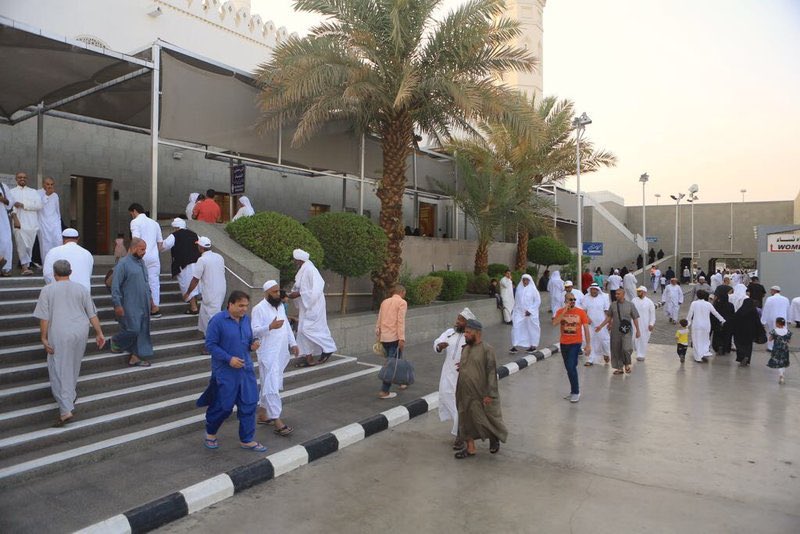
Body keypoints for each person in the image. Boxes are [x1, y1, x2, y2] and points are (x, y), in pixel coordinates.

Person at [33, 259, 105, 426]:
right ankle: (70, 396)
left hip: (60, 332)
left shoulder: (48, 290)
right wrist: (99, 332)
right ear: (70, 272)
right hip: (80, 331)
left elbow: (44, 318)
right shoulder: (81, 289)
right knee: (73, 365)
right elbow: (92, 314)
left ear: (54, 274)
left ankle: (65, 409)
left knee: (58, 368)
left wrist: (43, 337)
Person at [198, 290, 266, 452]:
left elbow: (248, 340)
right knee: (224, 406)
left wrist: (253, 344)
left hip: (245, 370)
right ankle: (210, 433)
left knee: (249, 403)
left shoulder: (246, 320)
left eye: (246, 306)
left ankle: (247, 440)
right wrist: (229, 359)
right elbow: (210, 345)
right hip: (225, 372)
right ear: (230, 304)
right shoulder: (218, 321)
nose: (244, 309)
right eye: (241, 305)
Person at [454, 319, 507, 459]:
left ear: (477, 333)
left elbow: (491, 372)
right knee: (465, 419)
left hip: (480, 393)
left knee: (483, 419)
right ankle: (470, 448)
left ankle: (493, 437)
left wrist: (490, 394)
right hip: (464, 392)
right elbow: (468, 365)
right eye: (465, 332)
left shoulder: (487, 349)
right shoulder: (465, 348)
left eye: (468, 332)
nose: (465, 335)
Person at [252, 280, 298, 435]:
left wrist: (293, 343)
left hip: (280, 352)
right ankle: (277, 420)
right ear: (266, 293)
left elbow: (286, 327)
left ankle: (262, 414)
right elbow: (254, 331)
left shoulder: (280, 306)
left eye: (278, 291)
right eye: (274, 292)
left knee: (269, 382)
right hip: (267, 353)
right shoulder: (258, 309)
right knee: (271, 385)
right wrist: (269, 327)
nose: (278, 294)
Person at [433, 308, 475, 450]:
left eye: (461, 320)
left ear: (467, 323)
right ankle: (460, 430)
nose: (457, 321)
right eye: (458, 318)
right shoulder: (449, 333)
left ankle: (460, 435)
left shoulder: (470, 337)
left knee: (461, 406)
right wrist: (439, 347)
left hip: (463, 376)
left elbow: (477, 354)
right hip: (447, 373)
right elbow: (437, 342)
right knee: (447, 398)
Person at [110, 238, 155, 367]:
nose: (144, 252)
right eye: (142, 249)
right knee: (133, 329)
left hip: (144, 304)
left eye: (145, 249)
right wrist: (117, 304)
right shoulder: (123, 264)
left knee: (142, 331)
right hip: (129, 304)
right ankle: (116, 341)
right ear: (134, 248)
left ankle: (135, 357)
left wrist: (152, 301)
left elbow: (146, 283)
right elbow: (115, 286)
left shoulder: (142, 263)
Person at [289, 248, 337, 366]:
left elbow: (317, 288)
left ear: (299, 260)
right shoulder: (302, 270)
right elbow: (299, 287)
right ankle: (308, 357)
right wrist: (292, 293)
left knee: (309, 329)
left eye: (295, 259)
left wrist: (299, 294)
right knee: (301, 330)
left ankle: (328, 347)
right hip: (305, 306)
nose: (293, 262)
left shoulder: (311, 269)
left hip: (314, 305)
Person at [552, 290, 591, 403]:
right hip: (564, 343)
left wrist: (588, 345)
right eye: (570, 299)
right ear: (565, 301)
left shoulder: (581, 312)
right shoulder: (560, 311)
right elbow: (554, 323)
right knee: (569, 368)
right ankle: (573, 391)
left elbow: (586, 329)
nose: (573, 301)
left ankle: (576, 392)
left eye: (574, 299)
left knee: (570, 367)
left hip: (576, 343)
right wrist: (565, 310)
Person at [184, 236, 226, 337]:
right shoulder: (219, 257)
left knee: (212, 316)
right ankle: (206, 334)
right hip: (221, 289)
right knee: (204, 313)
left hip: (210, 291)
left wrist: (188, 293)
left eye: (198, 245)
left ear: (201, 248)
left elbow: (195, 279)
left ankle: (213, 339)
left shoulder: (202, 260)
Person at [128, 203, 163, 317]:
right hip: (154, 257)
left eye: (131, 214)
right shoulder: (155, 223)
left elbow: (135, 240)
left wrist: (129, 256)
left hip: (141, 256)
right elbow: (160, 243)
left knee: (138, 282)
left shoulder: (135, 222)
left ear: (134, 211)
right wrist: (155, 253)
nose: (132, 216)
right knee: (154, 282)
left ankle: (140, 307)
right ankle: (155, 308)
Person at [161, 218, 201, 315]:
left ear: (176, 227)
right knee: (195, 285)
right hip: (197, 263)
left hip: (184, 264)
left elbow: (163, 246)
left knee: (188, 285)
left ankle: (194, 308)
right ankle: (195, 305)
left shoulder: (174, 235)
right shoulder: (194, 234)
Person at [597, 288, 641, 375]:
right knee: (616, 349)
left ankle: (627, 364)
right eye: (616, 294)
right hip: (615, 331)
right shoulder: (613, 305)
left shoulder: (630, 305)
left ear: (623, 294)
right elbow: (609, 317)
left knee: (626, 348)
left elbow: (635, 318)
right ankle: (619, 368)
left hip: (626, 331)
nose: (616, 295)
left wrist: (638, 330)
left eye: (618, 294)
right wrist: (601, 326)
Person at [375, 285, 408, 399]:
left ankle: (402, 382)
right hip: (394, 337)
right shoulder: (402, 303)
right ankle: (384, 391)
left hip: (384, 337)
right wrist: (402, 338)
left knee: (396, 360)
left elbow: (379, 319)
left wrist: (378, 334)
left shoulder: (384, 302)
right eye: (404, 293)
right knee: (392, 364)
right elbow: (400, 321)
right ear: (402, 292)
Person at [11, 171, 43, 275]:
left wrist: (23, 205)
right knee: (21, 245)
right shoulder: (12, 192)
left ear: (27, 179)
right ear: (16, 179)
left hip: (32, 224)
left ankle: (27, 266)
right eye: (20, 177)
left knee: (29, 246)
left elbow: (39, 205)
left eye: (24, 177)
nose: (22, 179)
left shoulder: (33, 192)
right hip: (19, 223)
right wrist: (15, 219)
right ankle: (24, 267)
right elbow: (10, 207)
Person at [686, 290, 725, 362]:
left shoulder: (694, 303)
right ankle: (704, 353)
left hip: (696, 324)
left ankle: (698, 357)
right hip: (706, 325)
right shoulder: (708, 304)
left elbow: (690, 314)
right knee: (705, 340)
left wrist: (687, 324)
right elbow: (715, 313)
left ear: (697, 296)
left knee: (696, 340)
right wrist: (722, 320)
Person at [509, 274, 541, 354]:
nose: (525, 281)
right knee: (516, 327)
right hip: (519, 313)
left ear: (529, 281)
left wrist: (530, 311)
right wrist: (514, 310)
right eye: (524, 279)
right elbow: (516, 301)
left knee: (532, 329)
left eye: (526, 280)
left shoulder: (533, 290)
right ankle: (514, 346)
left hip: (530, 314)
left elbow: (537, 301)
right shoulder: (519, 289)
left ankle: (533, 346)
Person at [583, 284, 610, 366]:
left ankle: (606, 353)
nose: (593, 291)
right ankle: (590, 359)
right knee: (590, 340)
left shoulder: (604, 297)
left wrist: (610, 322)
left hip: (602, 324)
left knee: (604, 341)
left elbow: (607, 311)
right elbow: (584, 310)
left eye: (595, 289)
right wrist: (587, 318)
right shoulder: (586, 297)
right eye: (592, 289)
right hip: (590, 324)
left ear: (598, 290)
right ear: (590, 290)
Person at [37, 176, 62, 264]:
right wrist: (47, 195)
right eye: (47, 184)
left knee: (58, 242)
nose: (50, 186)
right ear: (43, 184)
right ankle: (47, 265)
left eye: (51, 184)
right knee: (45, 245)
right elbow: (38, 206)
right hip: (43, 223)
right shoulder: (38, 193)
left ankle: (57, 265)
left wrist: (58, 221)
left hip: (55, 223)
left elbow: (57, 210)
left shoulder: (55, 195)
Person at [733, 288, 761, 367]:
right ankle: (747, 357)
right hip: (750, 332)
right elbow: (757, 322)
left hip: (739, 332)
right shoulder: (754, 312)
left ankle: (741, 356)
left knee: (739, 344)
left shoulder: (740, 311)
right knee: (748, 346)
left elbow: (734, 320)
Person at [761, 286, 790, 351]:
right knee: (782, 332)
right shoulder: (785, 299)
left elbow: (766, 309)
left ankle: (771, 347)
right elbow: (788, 309)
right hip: (782, 318)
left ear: (774, 291)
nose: (770, 292)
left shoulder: (770, 299)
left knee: (771, 332)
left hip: (772, 318)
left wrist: (763, 320)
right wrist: (788, 319)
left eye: (771, 290)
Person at [632, 286, 656, 362]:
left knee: (643, 339)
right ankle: (637, 351)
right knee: (634, 338)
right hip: (634, 323)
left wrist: (651, 324)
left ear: (644, 292)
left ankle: (641, 354)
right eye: (638, 291)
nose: (638, 293)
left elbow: (652, 314)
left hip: (645, 324)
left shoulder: (649, 302)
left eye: (640, 291)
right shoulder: (634, 300)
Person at [766, 318, 792, 384]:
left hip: (776, 349)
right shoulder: (787, 331)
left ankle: (781, 375)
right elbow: (789, 341)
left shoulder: (774, 331)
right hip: (785, 349)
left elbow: (770, 339)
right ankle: (782, 375)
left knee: (778, 362)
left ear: (777, 323)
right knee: (783, 362)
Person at [711, 286, 735, 355]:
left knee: (717, 336)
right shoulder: (730, 305)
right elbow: (732, 314)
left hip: (718, 323)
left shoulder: (716, 305)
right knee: (727, 337)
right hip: (728, 324)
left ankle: (718, 346)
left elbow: (713, 314)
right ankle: (725, 348)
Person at [0, 178, 15, 276]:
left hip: (2, 219)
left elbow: (10, 203)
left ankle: (5, 268)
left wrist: (2, 199)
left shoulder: (3, 186)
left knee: (5, 242)